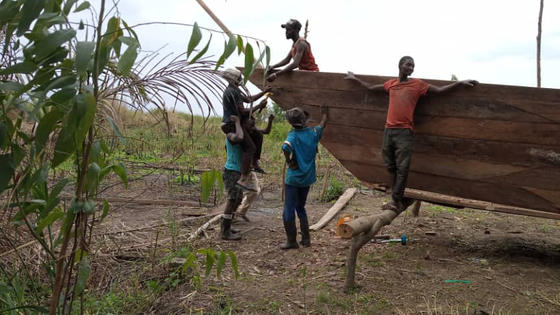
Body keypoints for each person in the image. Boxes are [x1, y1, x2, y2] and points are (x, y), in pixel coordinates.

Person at [345, 56, 478, 213]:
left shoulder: (417, 84)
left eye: (413, 66)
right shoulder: (391, 84)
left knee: (403, 167)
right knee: (390, 165)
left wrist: (459, 83)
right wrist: (354, 79)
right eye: (409, 64)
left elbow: (440, 91)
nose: (411, 68)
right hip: (389, 130)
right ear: (400, 65)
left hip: (404, 132)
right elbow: (371, 88)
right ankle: (395, 197)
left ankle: (395, 200)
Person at [280, 105, 328, 250]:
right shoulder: (313, 133)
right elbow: (322, 125)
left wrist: (289, 161)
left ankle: (291, 241)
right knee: (300, 207)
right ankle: (306, 239)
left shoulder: (293, 135)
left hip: (294, 178)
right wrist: (325, 113)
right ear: (305, 120)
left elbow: (285, 147)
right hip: (307, 178)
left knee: (288, 209)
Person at [221, 68, 271, 191]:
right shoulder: (232, 92)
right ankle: (243, 177)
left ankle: (254, 162)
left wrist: (264, 92)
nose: (241, 80)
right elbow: (242, 111)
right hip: (232, 124)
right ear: (233, 79)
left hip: (237, 122)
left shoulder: (235, 90)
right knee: (250, 147)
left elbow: (249, 99)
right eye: (239, 78)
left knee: (258, 135)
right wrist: (259, 106)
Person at [236, 114, 275, 222]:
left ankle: (240, 212)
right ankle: (231, 215)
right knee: (237, 193)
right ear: (243, 125)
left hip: (248, 168)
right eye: (251, 126)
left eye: (254, 125)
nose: (253, 128)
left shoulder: (254, 133)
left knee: (253, 191)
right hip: (238, 168)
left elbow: (266, 131)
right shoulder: (239, 136)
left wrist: (270, 120)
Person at [221, 114, 244, 240]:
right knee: (232, 200)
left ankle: (228, 225)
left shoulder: (232, 136)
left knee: (238, 199)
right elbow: (239, 137)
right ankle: (224, 231)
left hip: (236, 171)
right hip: (231, 171)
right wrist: (238, 122)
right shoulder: (231, 136)